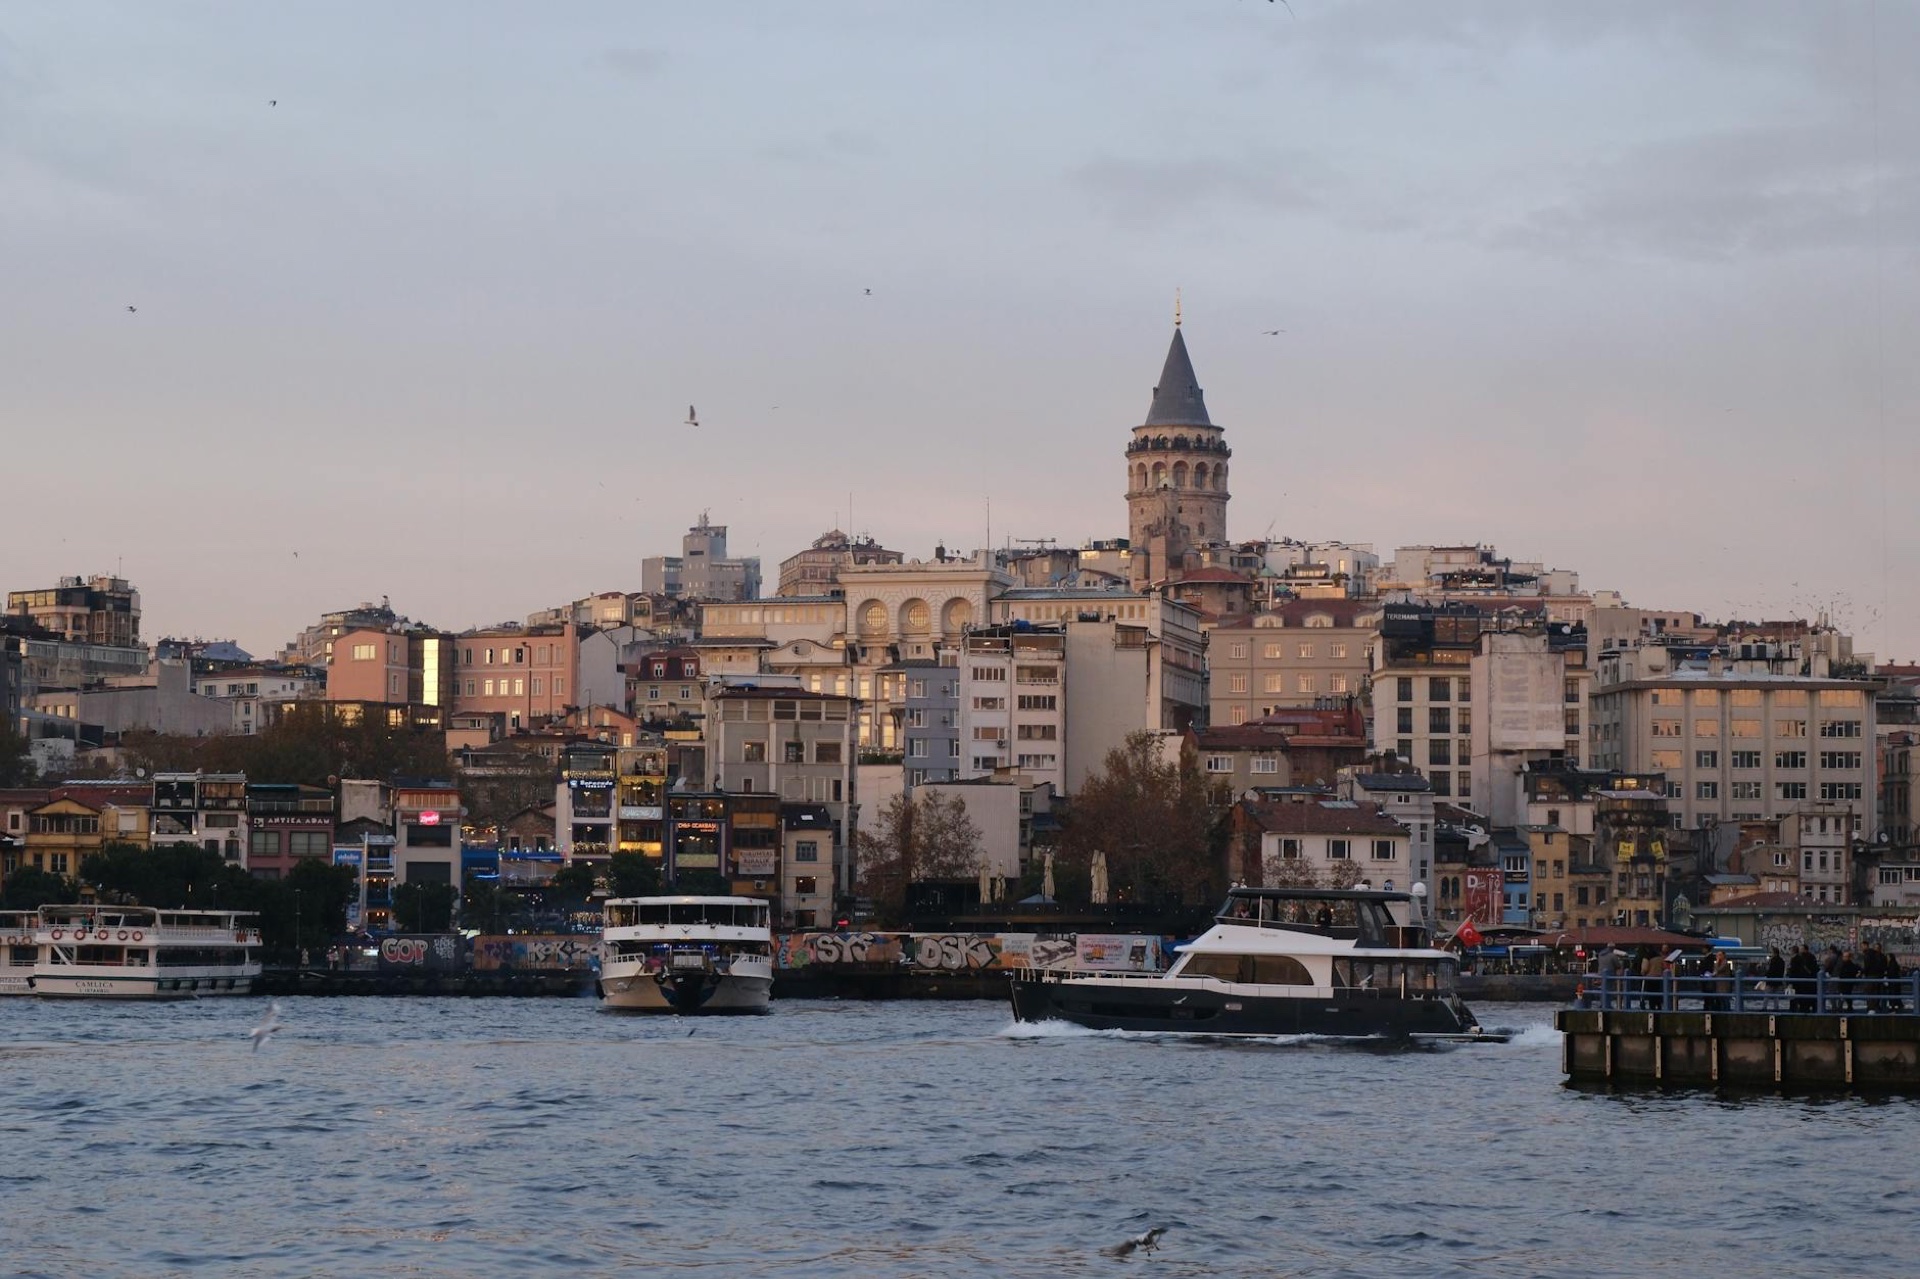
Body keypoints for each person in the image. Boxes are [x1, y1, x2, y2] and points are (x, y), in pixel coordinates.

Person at [1787, 943, 1819, 1014]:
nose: (1800, 950)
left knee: (1799, 997)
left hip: (1803, 981)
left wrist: (1790, 981)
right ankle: (1810, 1009)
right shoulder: (1808, 958)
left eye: (1801, 949)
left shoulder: (1799, 959)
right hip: (1807, 981)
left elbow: (1794, 970)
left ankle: (1797, 1009)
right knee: (1808, 998)